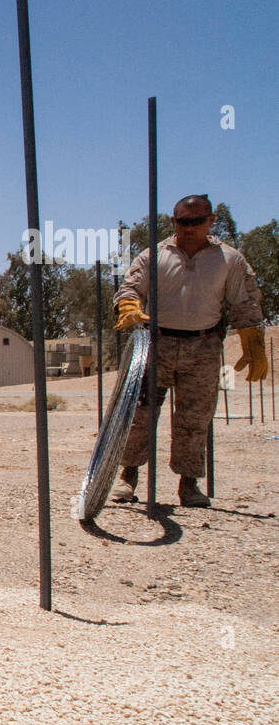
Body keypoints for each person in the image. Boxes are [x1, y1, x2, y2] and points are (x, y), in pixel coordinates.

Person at [112, 194, 267, 507]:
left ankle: (189, 485)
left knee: (195, 418)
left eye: (197, 221)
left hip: (204, 345)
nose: (190, 227)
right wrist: (128, 304)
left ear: (211, 221)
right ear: (174, 222)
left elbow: (245, 301)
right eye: (183, 221)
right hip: (157, 344)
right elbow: (130, 288)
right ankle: (127, 476)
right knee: (139, 413)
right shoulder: (153, 256)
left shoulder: (230, 260)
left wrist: (253, 339)